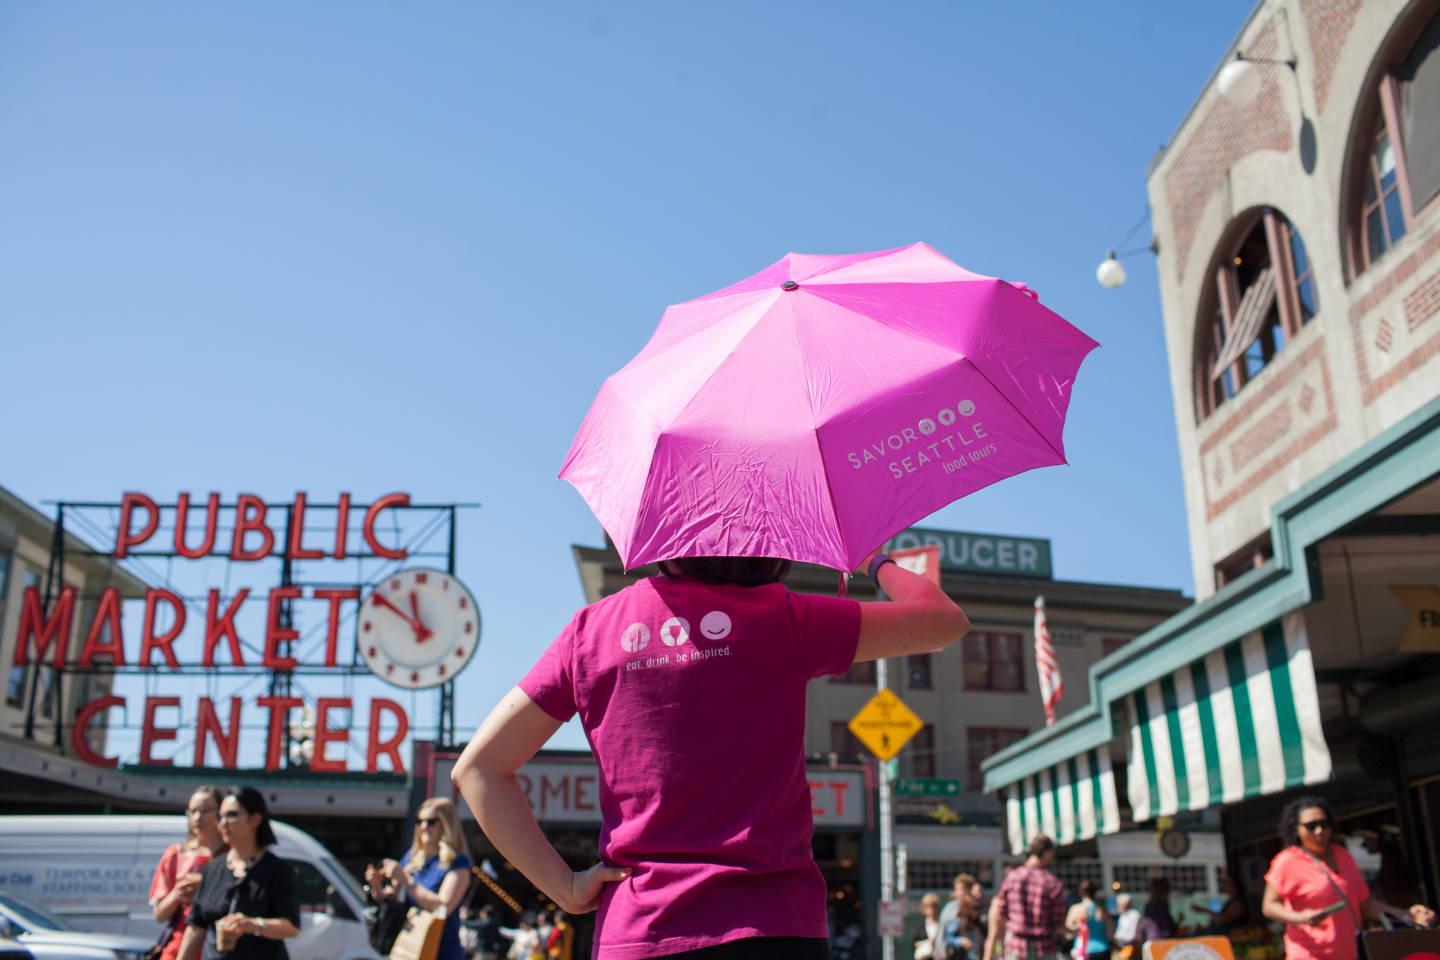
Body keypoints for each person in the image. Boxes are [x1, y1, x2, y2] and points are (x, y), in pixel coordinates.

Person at [452, 551, 970, 959]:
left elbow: (478, 770)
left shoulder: (591, 633)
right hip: (773, 928)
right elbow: (945, 621)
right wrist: (874, 561)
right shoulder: (783, 619)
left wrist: (565, 887)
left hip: (640, 931)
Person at [1262, 797, 1416, 960]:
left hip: (1349, 954)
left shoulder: (1343, 855)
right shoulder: (1288, 861)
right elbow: (1269, 906)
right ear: (1296, 830)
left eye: (1324, 824)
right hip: (1309, 955)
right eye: (1311, 826)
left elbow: (1367, 904)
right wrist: (1300, 918)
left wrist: (1404, 914)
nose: (1319, 831)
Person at [175, 786, 301, 960]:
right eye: (220, 816)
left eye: (232, 815)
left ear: (255, 819)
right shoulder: (212, 869)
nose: (223, 823)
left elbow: (291, 927)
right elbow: (196, 927)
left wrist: (253, 925)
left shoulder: (277, 870)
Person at [366, 797, 473, 960]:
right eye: (419, 821)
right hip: (409, 947)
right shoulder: (412, 858)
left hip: (441, 951)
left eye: (431, 822)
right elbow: (390, 898)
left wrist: (406, 880)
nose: (423, 827)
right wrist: (376, 886)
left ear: (446, 824)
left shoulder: (458, 863)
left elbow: (443, 907)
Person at [149, 786, 224, 960]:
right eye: (193, 811)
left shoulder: (231, 856)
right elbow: (159, 914)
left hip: (216, 946)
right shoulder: (176, 854)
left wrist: (206, 887)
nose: (198, 817)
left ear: (220, 813)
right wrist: (177, 894)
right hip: (178, 946)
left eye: (205, 811)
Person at [985, 835, 1067, 960]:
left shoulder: (1012, 878)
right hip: (1043, 948)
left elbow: (1001, 913)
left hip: (1015, 947)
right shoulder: (1052, 883)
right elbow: (1057, 923)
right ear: (1046, 852)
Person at [935, 873, 983, 960]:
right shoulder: (950, 908)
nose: (961, 892)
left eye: (963, 889)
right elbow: (944, 935)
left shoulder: (977, 908)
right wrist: (959, 941)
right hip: (953, 954)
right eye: (957, 889)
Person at [1065, 881, 1112, 960]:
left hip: (1083, 952)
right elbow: (1110, 934)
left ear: (1080, 892)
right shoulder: (1103, 910)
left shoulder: (1075, 909)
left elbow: (1068, 933)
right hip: (1103, 950)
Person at [1138, 879, 1177, 945]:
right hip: (1159, 943)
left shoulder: (1149, 906)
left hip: (1150, 942)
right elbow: (1168, 929)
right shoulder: (1160, 907)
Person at [1111, 895, 1140, 960]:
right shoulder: (1122, 915)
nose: (1118, 906)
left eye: (1120, 904)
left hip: (1131, 948)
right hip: (1121, 947)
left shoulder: (1134, 915)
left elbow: (1134, 935)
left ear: (1127, 904)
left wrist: (1117, 937)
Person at [916, 893, 944, 960]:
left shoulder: (941, 924)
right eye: (928, 907)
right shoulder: (920, 925)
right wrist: (928, 942)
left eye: (933, 907)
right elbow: (915, 943)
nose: (931, 910)